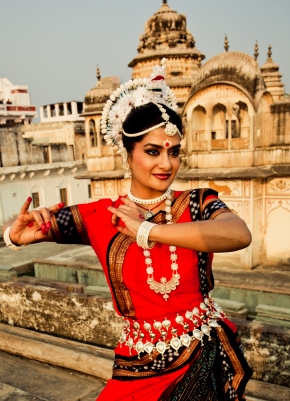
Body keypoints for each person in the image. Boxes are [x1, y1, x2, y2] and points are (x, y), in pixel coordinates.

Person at [2, 59, 252, 400]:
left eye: (174, 152)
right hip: (138, 365)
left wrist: (146, 230)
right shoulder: (99, 215)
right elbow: (37, 228)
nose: (166, 164)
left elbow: (238, 233)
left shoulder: (197, 202)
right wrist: (15, 237)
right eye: (152, 152)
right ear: (128, 154)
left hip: (202, 357)